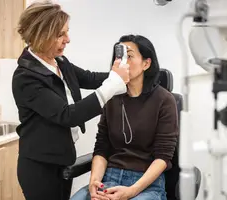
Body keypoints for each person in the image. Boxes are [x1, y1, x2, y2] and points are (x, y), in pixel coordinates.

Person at [11, 2, 130, 200]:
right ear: (42, 35)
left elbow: (89, 78)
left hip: (62, 159)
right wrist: (112, 85)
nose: (68, 39)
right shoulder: (26, 77)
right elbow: (68, 115)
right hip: (40, 168)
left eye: (67, 32)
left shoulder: (58, 61)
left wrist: (123, 75)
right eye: (60, 34)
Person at [71, 34, 179, 200]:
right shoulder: (112, 97)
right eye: (119, 57)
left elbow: (163, 157)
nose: (122, 62)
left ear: (146, 63)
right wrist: (95, 182)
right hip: (109, 180)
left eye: (129, 56)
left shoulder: (164, 100)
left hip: (146, 185)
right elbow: (102, 148)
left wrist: (131, 191)